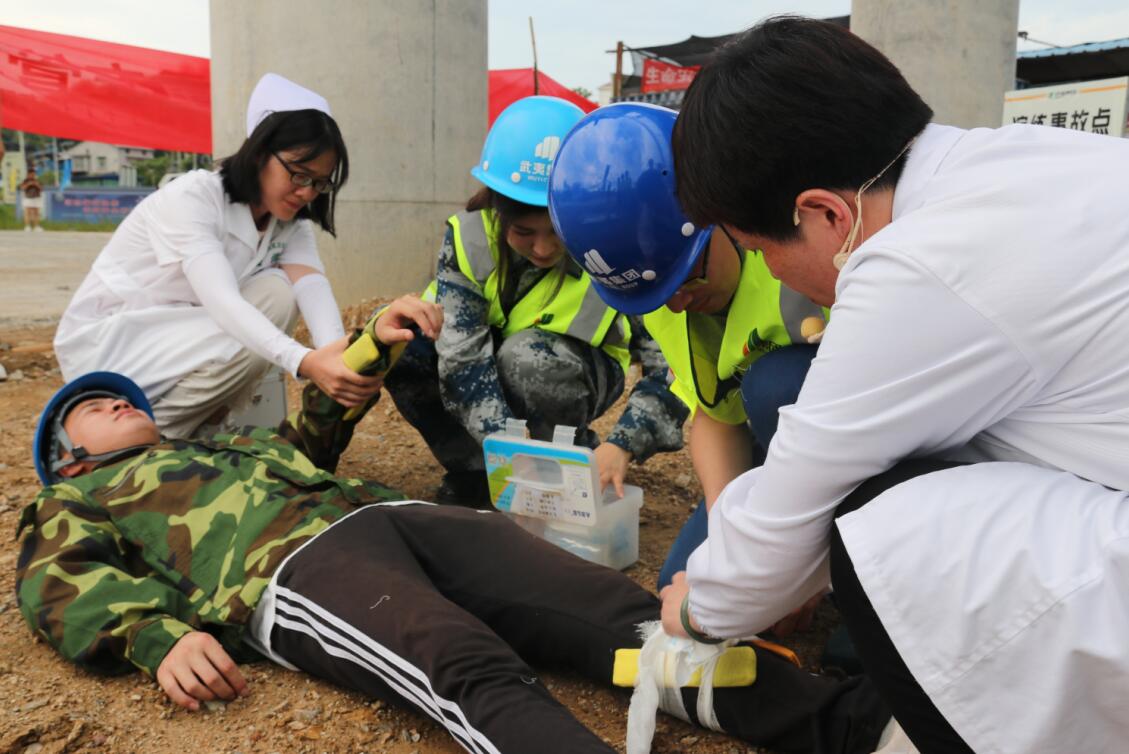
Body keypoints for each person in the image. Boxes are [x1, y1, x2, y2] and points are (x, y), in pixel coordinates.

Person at [17, 305, 898, 754]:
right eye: (91, 408)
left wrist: (374, 341)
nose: (112, 403)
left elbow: (316, 431)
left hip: (401, 519)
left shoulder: (234, 448)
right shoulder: (73, 502)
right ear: (68, 454)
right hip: (290, 576)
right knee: (466, 666)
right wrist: (155, 635)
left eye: (122, 396)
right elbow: (61, 584)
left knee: (627, 622)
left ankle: (847, 726)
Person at [647, 15, 1129, 754]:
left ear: (822, 214)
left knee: (879, 514)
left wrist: (697, 608)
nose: (771, 275)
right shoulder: (1026, 161)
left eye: (756, 250)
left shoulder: (920, 264)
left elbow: (785, 526)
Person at [548, 102, 827, 634]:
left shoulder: (802, 254)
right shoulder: (664, 295)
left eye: (687, 278)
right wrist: (730, 533)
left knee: (775, 385)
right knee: (682, 588)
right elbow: (714, 414)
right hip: (772, 456)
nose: (676, 304)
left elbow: (873, 412)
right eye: (658, 294)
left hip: (853, 439)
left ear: (718, 214)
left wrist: (795, 557)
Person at [384, 96, 688, 505]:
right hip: (489, 373)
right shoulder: (471, 240)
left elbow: (671, 365)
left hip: (575, 369)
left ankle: (564, 461)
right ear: (498, 211)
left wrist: (623, 442)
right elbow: (462, 359)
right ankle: (477, 472)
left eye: (557, 232)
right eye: (524, 232)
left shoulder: (615, 242)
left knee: (526, 357)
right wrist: (505, 450)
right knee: (404, 347)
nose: (543, 249)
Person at [53, 73, 378, 439]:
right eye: (299, 175)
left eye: (319, 183)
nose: (306, 193)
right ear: (259, 153)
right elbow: (222, 300)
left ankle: (189, 425)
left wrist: (338, 358)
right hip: (117, 344)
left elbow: (312, 285)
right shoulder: (193, 197)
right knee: (261, 314)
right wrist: (303, 362)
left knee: (278, 292)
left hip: (182, 336)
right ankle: (157, 440)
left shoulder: (287, 222)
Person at [19, 167, 44, 232]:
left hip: (37, 198)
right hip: (28, 198)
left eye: (33, 174)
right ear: (28, 174)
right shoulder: (25, 180)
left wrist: (36, 185)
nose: (32, 176)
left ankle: (37, 226)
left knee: (36, 213)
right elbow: (22, 188)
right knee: (27, 212)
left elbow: (42, 189)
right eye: (30, 174)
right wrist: (28, 184)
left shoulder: (37, 180)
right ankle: (27, 226)